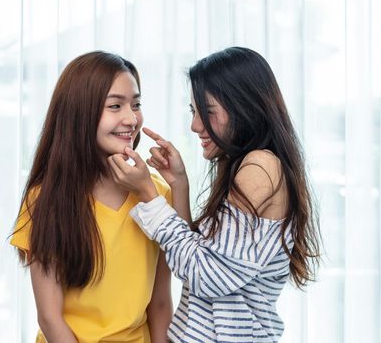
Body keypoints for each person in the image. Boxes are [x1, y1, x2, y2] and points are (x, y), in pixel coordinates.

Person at [108, 47, 322, 342]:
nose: (195, 126)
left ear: (243, 107)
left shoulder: (260, 167)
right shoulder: (250, 166)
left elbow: (206, 277)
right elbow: (197, 258)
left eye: (207, 112)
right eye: (194, 112)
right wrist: (179, 185)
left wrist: (148, 193)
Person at [10, 51, 173, 343]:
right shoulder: (45, 198)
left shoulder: (156, 193)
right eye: (115, 105)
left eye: (136, 104)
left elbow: (160, 303)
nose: (131, 118)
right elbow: (50, 316)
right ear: (80, 113)